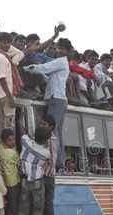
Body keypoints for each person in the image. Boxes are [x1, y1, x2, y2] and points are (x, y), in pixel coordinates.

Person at [22, 38, 73, 170]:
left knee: (51, 130)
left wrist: (25, 68)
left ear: (67, 51)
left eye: (62, 49)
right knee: (57, 131)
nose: (58, 50)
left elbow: (42, 68)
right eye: (58, 48)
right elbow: (48, 77)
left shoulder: (60, 62)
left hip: (56, 98)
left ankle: (56, 161)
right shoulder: (60, 63)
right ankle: (59, 162)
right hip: (58, 98)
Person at [13, 127, 51, 215]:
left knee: (22, 212)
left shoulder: (25, 142)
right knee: (37, 212)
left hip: (24, 182)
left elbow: (23, 132)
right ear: (46, 140)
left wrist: (24, 130)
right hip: (37, 184)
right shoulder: (46, 153)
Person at [0, 32, 23, 146]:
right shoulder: (1, 58)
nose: (6, 45)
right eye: (4, 42)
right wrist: (10, 97)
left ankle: (1, 149)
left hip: (1, 95)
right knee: (9, 125)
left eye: (8, 42)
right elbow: (1, 78)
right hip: (5, 95)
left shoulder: (3, 56)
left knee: (1, 124)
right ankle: (9, 150)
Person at [0, 128, 20, 215]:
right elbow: (20, 163)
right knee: (13, 211)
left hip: (5, 183)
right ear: (4, 141)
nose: (13, 142)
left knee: (7, 211)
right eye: (10, 140)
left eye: (13, 139)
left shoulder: (0, 148)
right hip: (13, 184)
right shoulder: (12, 153)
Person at [39, 115, 58, 215]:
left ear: (51, 127)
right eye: (40, 123)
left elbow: (48, 159)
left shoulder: (50, 139)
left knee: (47, 207)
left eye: (44, 124)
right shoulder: (50, 137)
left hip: (47, 176)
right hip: (47, 176)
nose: (41, 126)